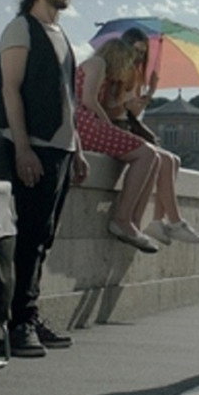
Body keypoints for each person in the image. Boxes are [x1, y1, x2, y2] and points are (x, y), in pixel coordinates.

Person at [0, 0, 89, 357]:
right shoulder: (20, 28)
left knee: (43, 238)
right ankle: (19, 324)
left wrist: (77, 147)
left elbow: (67, 98)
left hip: (61, 149)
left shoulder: (61, 34)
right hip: (35, 146)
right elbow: (10, 89)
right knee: (30, 237)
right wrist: (22, 148)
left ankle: (29, 316)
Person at [117, 28, 199, 245]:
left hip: (127, 129)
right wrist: (130, 102)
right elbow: (117, 111)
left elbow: (133, 114)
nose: (139, 56)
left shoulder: (137, 76)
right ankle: (175, 222)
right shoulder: (118, 72)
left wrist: (149, 92)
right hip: (115, 130)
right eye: (136, 50)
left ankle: (158, 221)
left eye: (143, 52)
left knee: (174, 160)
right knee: (164, 159)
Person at [75, 39, 163, 253]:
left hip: (80, 123)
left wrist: (149, 90)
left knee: (153, 157)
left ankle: (132, 222)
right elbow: (88, 100)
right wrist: (107, 124)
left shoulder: (96, 67)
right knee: (147, 154)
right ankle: (123, 220)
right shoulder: (98, 64)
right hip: (83, 123)